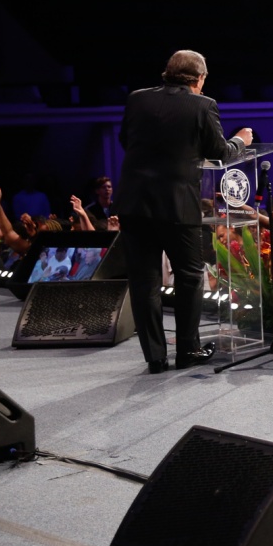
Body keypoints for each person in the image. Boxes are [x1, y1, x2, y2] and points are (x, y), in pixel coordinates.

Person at [114, 50, 253, 374]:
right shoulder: (203, 105)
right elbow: (219, 152)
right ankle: (188, 350)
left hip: (134, 203)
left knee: (144, 282)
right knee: (189, 277)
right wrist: (240, 141)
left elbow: (126, 140)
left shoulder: (137, 99)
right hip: (176, 205)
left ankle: (155, 357)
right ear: (199, 78)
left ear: (168, 72)